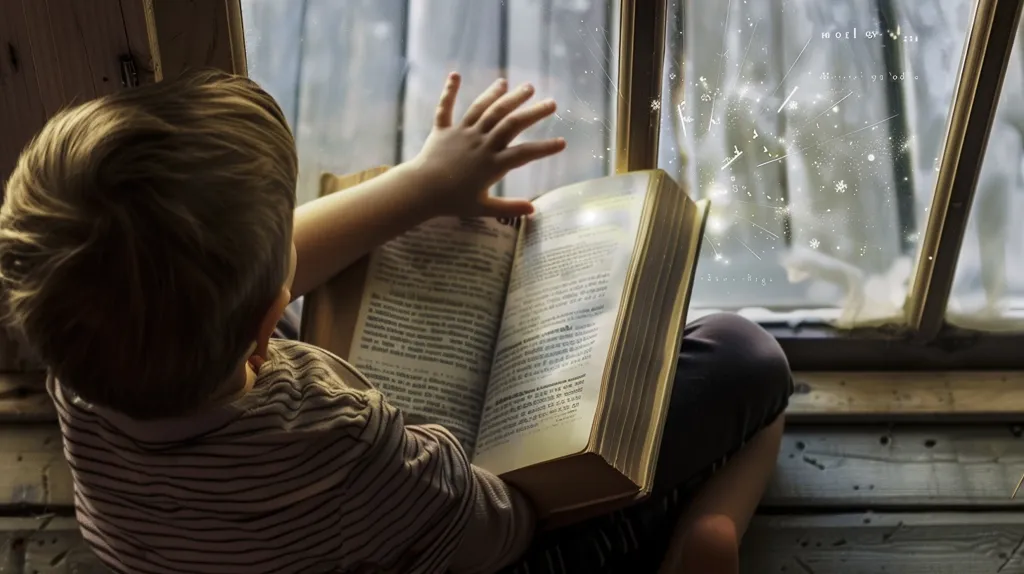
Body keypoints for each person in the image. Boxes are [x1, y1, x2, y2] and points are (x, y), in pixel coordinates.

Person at [0, 69, 791, 574]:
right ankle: (703, 528)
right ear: (269, 319)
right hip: (461, 538)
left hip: (196, 551)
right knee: (751, 361)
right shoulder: (338, 431)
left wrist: (422, 185)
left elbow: (232, 280)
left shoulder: (84, 369)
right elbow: (502, 528)